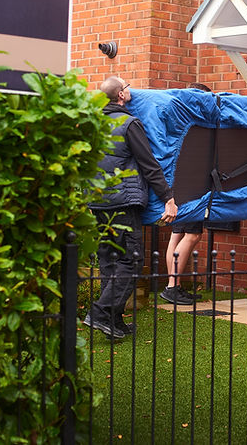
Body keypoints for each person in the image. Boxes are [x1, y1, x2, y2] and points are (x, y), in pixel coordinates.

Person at [84, 76, 178, 339]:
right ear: (121, 95)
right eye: (127, 87)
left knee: (110, 261)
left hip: (98, 202)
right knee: (132, 260)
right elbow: (149, 164)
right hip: (124, 202)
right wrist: (168, 197)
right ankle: (101, 313)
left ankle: (114, 322)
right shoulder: (129, 124)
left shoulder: (93, 125)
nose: (130, 90)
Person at [161, 82, 211, 305]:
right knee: (192, 235)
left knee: (177, 234)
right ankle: (172, 287)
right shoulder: (197, 120)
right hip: (192, 185)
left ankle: (173, 285)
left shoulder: (179, 116)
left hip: (177, 182)